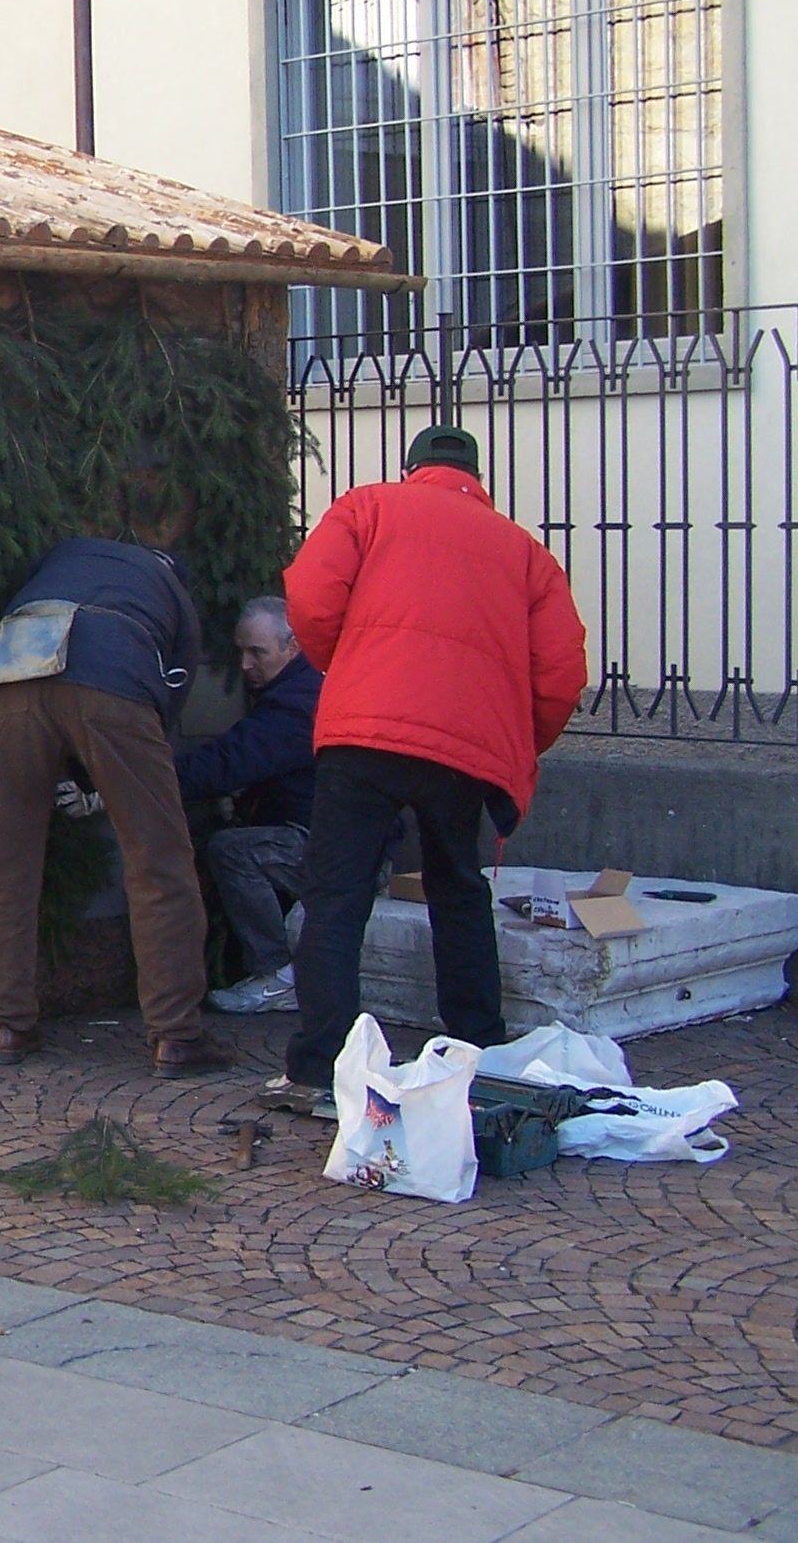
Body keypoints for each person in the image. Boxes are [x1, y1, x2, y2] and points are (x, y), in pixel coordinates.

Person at [271, 426, 588, 1116]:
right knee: (458, 891)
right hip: (462, 748)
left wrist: (347, 667)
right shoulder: (526, 554)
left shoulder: (367, 507)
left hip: (362, 733)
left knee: (337, 896)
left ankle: (322, 1067)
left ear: (413, 469)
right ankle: (475, 1047)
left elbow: (311, 597)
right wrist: (512, 740)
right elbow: (561, 673)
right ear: (478, 479)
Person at [0, 536, 233, 1079]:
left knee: (4, 868)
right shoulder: (172, 594)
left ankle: (7, 1025)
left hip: (9, 674)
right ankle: (175, 1036)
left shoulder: (67, 553)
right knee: (160, 861)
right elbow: (166, 703)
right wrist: (96, 783)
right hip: (114, 680)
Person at [178, 596, 320, 1015]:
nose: (244, 665)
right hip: (326, 836)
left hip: (331, 847)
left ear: (292, 646)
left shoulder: (296, 704)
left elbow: (231, 761)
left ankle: (277, 976)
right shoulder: (297, 687)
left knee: (234, 851)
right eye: (241, 651)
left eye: (256, 652)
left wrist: (145, 778)